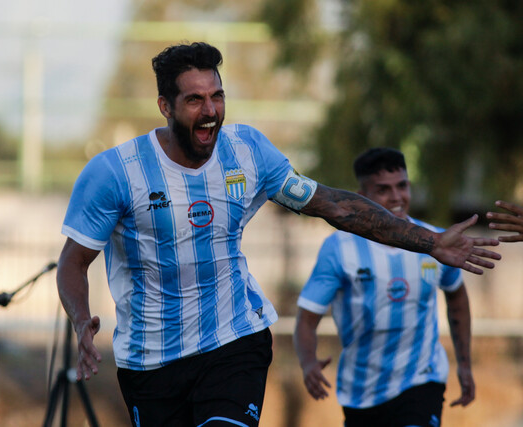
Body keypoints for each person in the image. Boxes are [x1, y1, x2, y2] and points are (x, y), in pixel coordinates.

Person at [57, 42, 499, 427]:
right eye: (194, 100)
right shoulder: (115, 173)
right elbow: (73, 263)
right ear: (165, 106)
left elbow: (335, 206)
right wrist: (80, 321)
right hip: (150, 360)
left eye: (217, 96)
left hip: (234, 340)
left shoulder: (248, 151)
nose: (210, 111)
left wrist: (429, 241)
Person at [294, 147, 478, 427]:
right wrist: (308, 362)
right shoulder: (339, 248)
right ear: (362, 196)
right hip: (361, 392)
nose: (396, 197)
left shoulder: (437, 243)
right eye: (383, 189)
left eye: (402, 186)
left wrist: (464, 363)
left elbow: (458, 299)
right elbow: (307, 318)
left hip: (422, 380)